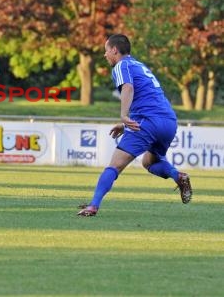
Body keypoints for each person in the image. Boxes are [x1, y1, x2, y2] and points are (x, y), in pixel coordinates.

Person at [77, 33, 192, 217]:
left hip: (148, 122)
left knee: (114, 166)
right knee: (149, 162)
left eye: (106, 51)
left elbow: (128, 88)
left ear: (114, 50)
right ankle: (178, 176)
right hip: (169, 122)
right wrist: (125, 126)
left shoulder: (121, 65)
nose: (105, 55)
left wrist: (123, 116)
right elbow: (148, 97)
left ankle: (93, 206)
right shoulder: (138, 65)